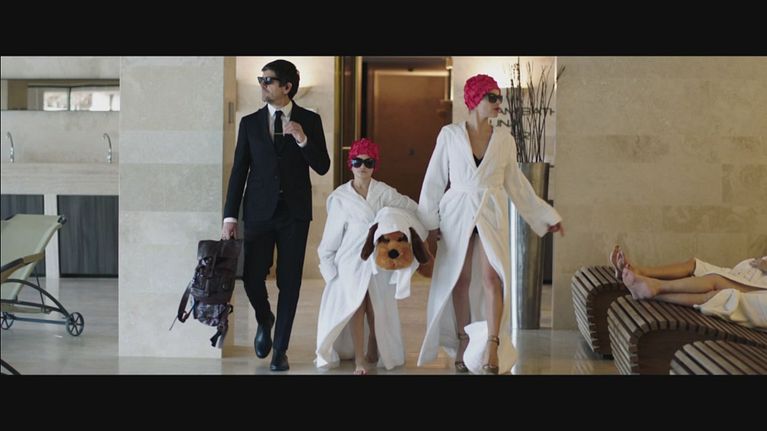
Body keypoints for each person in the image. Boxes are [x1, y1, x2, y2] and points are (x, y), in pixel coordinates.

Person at [416, 74, 564, 375]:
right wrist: (429, 224)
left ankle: (492, 346)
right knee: (459, 279)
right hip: (457, 212)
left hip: (490, 210)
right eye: (492, 97)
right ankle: (462, 341)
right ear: (475, 99)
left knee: (492, 277)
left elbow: (517, 184)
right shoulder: (449, 135)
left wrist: (546, 216)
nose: (499, 103)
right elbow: (434, 180)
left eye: (499, 98)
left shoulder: (505, 139)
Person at [221, 59, 330, 371]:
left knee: (290, 282)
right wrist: (230, 217)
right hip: (258, 212)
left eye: (268, 80)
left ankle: (280, 350)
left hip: (294, 214)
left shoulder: (310, 120)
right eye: (262, 79)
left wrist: (303, 140)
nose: (262, 85)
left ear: (287, 87)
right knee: (251, 278)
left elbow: (323, 165)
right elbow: (239, 171)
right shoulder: (250, 123)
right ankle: (264, 317)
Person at [315, 138, 421, 375]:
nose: (362, 166)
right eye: (357, 161)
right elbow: (330, 239)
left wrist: (429, 223)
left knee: (377, 307)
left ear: (375, 165)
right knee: (357, 305)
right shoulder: (340, 198)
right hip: (350, 260)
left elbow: (411, 208)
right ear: (350, 164)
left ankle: (375, 346)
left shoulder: (384, 192)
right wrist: (330, 271)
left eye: (368, 162)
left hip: (378, 260)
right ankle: (359, 359)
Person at [609, 245, 767, 306]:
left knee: (715, 281)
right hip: (747, 273)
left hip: (760, 286)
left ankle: (655, 287)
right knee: (694, 264)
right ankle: (639, 272)